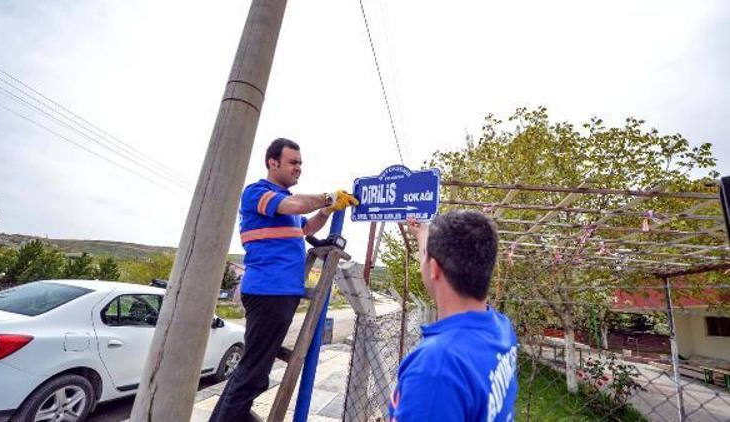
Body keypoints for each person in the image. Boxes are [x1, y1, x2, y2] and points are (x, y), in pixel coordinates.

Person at [209, 138, 358, 421]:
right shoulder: (259, 193)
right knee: (253, 375)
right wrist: (327, 197)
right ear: (272, 162)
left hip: (278, 293)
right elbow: (295, 206)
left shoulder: (285, 209)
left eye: (300, 163)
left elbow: (307, 226)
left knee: (251, 370)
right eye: (292, 162)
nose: (298, 168)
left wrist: (326, 211)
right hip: (270, 292)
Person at [389, 210, 518, 421]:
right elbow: (432, 266)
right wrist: (423, 233)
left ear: (434, 268)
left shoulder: (436, 368)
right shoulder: (501, 328)